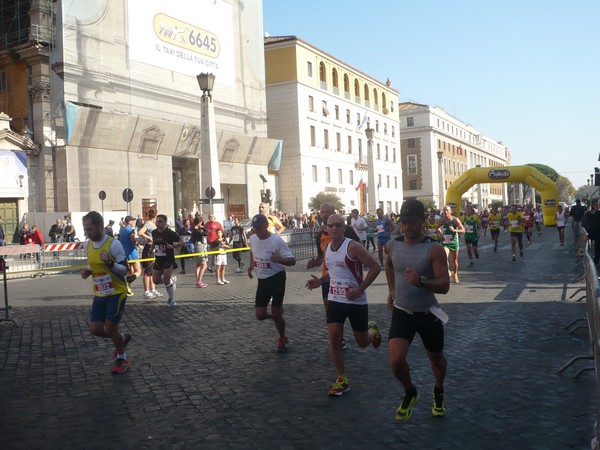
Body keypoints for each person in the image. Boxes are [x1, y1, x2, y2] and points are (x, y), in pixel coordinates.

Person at [385, 199, 450, 421]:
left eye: (411, 222)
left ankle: (439, 390)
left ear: (423, 221)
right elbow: (389, 264)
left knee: (436, 359)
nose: (406, 227)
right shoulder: (392, 245)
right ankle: (410, 391)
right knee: (395, 360)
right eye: (403, 222)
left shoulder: (434, 249)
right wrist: (392, 289)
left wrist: (422, 281)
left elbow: (444, 285)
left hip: (428, 314)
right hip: (402, 312)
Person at [305, 214, 382, 397]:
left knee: (362, 342)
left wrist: (360, 288)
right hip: (335, 299)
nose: (333, 228)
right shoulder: (328, 248)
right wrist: (321, 281)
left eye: (337, 225)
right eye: (330, 225)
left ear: (344, 228)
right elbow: (334, 273)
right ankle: (342, 379)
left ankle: (373, 331)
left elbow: (375, 267)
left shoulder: (353, 246)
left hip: (355, 300)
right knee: (334, 337)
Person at [80, 211, 132, 375]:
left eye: (90, 229)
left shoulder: (113, 245)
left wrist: (109, 262)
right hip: (100, 293)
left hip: (117, 292)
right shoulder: (88, 245)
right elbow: (93, 263)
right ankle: (121, 338)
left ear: (100, 226)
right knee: (95, 329)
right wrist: (88, 271)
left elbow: (125, 270)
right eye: (85, 229)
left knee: (110, 328)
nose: (87, 233)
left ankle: (122, 357)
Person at [306, 202, 360, 349]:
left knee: (350, 309)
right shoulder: (320, 235)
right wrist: (314, 262)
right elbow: (320, 256)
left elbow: (358, 248)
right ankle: (338, 337)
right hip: (327, 276)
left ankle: (361, 328)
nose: (324, 214)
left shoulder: (346, 230)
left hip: (347, 276)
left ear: (333, 212)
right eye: (322, 212)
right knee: (328, 305)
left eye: (327, 212)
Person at [247, 213, 296, 352]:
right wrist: (251, 264)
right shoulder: (253, 238)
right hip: (262, 280)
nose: (256, 230)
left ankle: (282, 337)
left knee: (276, 313)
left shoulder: (276, 240)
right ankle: (277, 314)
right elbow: (252, 251)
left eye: (258, 227)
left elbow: (292, 261)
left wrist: (280, 259)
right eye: (254, 227)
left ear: (265, 226)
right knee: (260, 315)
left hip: (276, 278)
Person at [151, 214, 183, 307]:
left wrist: (173, 246)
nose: (157, 223)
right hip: (158, 259)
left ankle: (171, 299)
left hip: (168, 259)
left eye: (160, 221)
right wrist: (150, 249)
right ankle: (171, 280)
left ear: (165, 223)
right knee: (155, 280)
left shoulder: (170, 233)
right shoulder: (154, 232)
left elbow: (182, 242)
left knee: (165, 280)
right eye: (157, 221)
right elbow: (154, 241)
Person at [138, 209, 162, 299]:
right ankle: (146, 291)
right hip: (148, 249)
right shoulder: (148, 223)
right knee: (148, 271)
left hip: (154, 248)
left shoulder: (154, 224)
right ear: (155, 215)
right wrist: (149, 238)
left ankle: (153, 289)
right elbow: (140, 232)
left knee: (153, 270)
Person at [439, 206, 465, 283]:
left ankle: (455, 274)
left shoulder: (455, 220)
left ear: (450, 212)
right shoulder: (441, 220)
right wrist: (439, 231)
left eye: (447, 210)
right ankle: (448, 271)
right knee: (444, 257)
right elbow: (438, 227)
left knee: (454, 260)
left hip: (453, 242)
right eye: (444, 210)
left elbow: (463, 230)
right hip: (445, 243)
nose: (445, 212)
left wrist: (455, 230)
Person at [118, 216, 142, 297]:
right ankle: (126, 283)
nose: (134, 222)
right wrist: (138, 245)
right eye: (132, 220)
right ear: (129, 222)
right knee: (138, 271)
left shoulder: (121, 230)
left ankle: (127, 288)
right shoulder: (131, 230)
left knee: (130, 272)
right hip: (132, 252)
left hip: (124, 253)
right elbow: (132, 239)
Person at [191, 217, 209, 288]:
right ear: (199, 222)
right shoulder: (196, 231)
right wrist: (204, 228)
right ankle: (199, 281)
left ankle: (198, 281)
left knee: (198, 265)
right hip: (200, 247)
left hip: (197, 247)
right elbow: (206, 233)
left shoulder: (194, 230)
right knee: (204, 265)